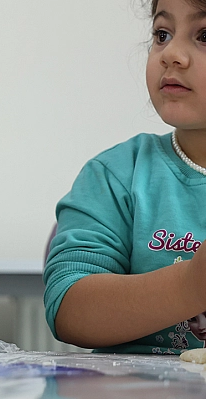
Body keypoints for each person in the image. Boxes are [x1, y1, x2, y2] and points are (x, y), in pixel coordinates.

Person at [44, 0, 206, 354]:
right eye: (162, 34)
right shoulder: (118, 175)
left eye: (204, 35)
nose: (172, 54)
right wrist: (190, 287)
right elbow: (67, 307)